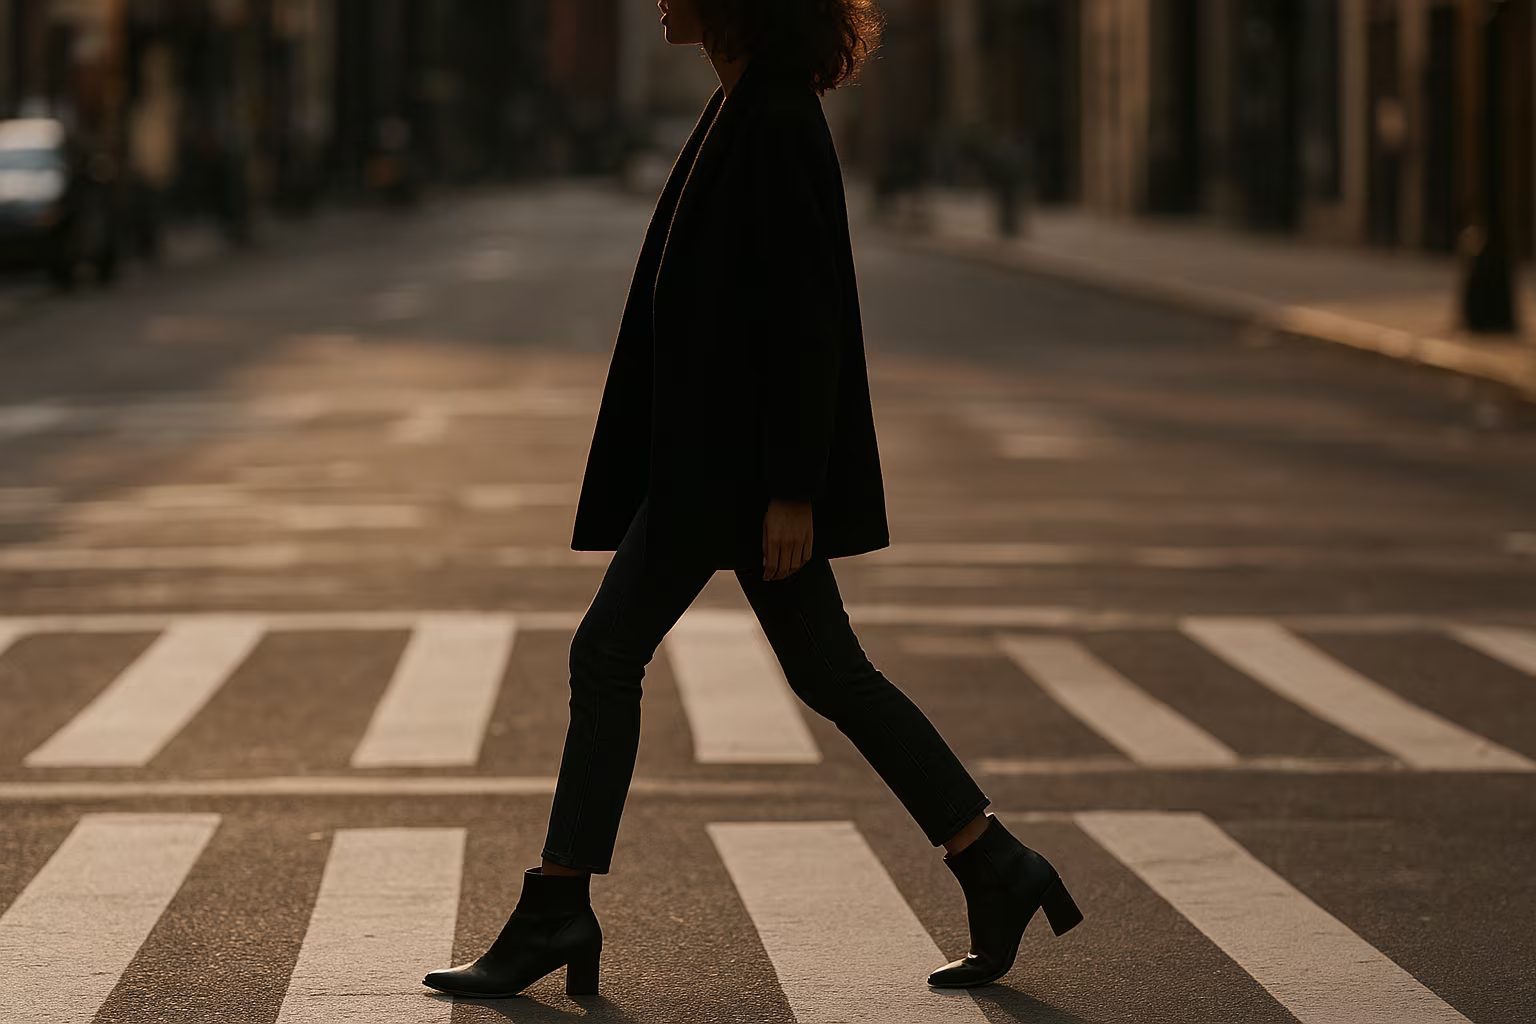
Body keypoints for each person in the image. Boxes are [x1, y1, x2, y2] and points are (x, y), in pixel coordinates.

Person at [423, 0, 1081, 999]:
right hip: (710, 464)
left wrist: (792, 491)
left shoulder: (773, 118)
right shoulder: (744, 107)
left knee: (608, 654)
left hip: (727, 474)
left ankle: (559, 905)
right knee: (831, 673)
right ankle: (993, 860)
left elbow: (805, 314)